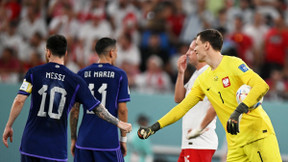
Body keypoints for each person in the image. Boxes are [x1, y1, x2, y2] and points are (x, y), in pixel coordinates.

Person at [138, 29, 282, 162]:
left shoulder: (233, 63)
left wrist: (238, 111)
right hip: (235, 145)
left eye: (197, 45)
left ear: (207, 46)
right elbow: (182, 107)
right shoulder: (202, 79)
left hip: (257, 136)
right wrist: (154, 127)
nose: (194, 49)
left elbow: (262, 86)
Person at [2, 34, 132, 162]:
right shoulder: (75, 81)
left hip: (30, 144)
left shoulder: (33, 73)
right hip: (56, 148)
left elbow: (19, 100)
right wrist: (118, 122)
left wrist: (9, 125)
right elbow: (97, 108)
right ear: (66, 53)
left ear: (48, 52)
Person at [70, 37, 130, 162]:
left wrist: (73, 138)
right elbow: (122, 110)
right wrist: (123, 140)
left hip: (84, 141)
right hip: (108, 142)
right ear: (111, 52)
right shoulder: (119, 74)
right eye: (116, 52)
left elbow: (74, 110)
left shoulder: (81, 74)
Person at [174, 39, 218, 162]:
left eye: (191, 50)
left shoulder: (210, 74)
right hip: (189, 142)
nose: (187, 53)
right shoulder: (196, 74)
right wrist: (181, 73)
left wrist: (199, 129)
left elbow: (214, 107)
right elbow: (178, 99)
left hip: (200, 142)